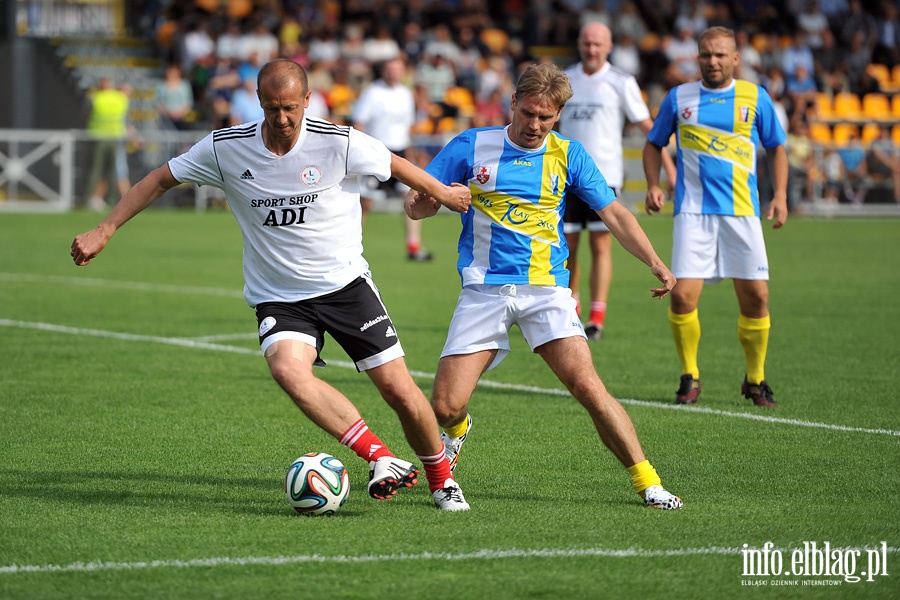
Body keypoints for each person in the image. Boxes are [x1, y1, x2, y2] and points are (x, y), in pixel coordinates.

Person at [71, 59, 472, 512]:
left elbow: (396, 164)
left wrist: (442, 192)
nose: (282, 119)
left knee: (398, 390)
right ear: (259, 103)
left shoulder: (337, 142)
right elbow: (160, 179)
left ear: (307, 101)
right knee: (287, 371)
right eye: (271, 108)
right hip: (279, 295)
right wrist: (106, 228)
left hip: (345, 286)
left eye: (290, 108)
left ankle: (442, 480)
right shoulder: (226, 148)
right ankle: (381, 458)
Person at [406, 63, 683, 510]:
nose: (535, 125)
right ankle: (457, 431)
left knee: (589, 388)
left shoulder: (569, 155)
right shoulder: (471, 145)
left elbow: (614, 214)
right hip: (485, 289)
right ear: (512, 103)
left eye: (546, 117)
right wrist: (430, 199)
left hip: (547, 292)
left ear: (558, 117)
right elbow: (416, 206)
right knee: (443, 406)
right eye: (529, 112)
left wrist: (655, 262)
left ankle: (649, 483)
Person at [643, 26, 788, 408]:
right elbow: (653, 143)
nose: (713, 61)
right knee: (682, 299)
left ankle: (755, 379)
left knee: (757, 298)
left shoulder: (755, 97)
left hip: (743, 213)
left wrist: (782, 195)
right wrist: (653, 184)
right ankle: (689, 376)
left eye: (721, 54)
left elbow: (777, 148)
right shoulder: (679, 98)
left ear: (735, 58)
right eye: (706, 54)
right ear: (697, 57)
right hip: (693, 213)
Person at [557, 22, 675, 340]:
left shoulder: (621, 82)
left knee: (600, 244)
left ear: (609, 47)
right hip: (565, 176)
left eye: (598, 44)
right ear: (579, 44)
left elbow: (648, 127)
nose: (591, 49)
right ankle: (571, 308)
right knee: (566, 245)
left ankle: (596, 316)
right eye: (586, 43)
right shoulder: (565, 79)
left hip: (604, 177)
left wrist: (669, 169)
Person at [352, 58, 432, 261]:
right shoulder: (372, 92)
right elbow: (359, 122)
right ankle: (352, 245)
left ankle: (414, 246)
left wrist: (411, 155)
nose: (394, 73)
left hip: (401, 153)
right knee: (365, 202)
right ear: (384, 71)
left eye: (398, 69)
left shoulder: (406, 94)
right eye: (390, 69)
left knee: (412, 198)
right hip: (377, 152)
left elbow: (407, 128)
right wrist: (363, 151)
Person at [83, 77, 132, 212]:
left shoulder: (95, 98)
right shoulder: (120, 98)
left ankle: (88, 199)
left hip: (98, 137)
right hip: (115, 137)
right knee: (112, 171)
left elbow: (87, 114)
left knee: (95, 170)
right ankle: (111, 200)